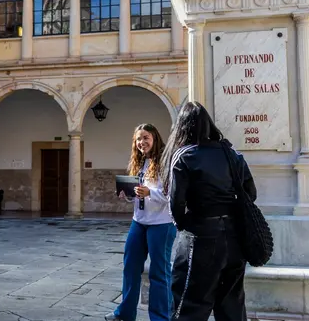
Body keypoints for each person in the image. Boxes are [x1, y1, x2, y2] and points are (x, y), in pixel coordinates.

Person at [160, 102, 256, 321]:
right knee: (232, 306)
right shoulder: (232, 154)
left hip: (200, 237)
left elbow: (176, 203)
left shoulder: (184, 156)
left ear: (182, 127)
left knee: (190, 306)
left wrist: (186, 225)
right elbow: (251, 193)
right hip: (234, 238)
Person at [106, 124, 177, 321]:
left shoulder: (166, 161)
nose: (141, 142)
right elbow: (136, 195)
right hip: (139, 221)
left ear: (155, 138)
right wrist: (127, 194)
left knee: (159, 272)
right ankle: (125, 314)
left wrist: (149, 192)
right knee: (130, 266)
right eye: (138, 139)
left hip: (162, 224)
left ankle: (161, 317)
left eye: (145, 137)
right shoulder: (139, 162)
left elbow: (171, 194)